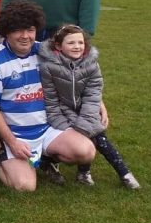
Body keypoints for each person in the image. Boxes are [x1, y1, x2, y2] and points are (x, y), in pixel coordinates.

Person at [0, 0, 96, 192]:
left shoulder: (46, 53)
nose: (25, 36)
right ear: (6, 31)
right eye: (18, 30)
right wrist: (13, 142)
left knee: (86, 151)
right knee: (24, 186)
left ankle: (45, 157)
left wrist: (98, 102)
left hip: (47, 128)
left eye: (30, 30)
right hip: (15, 134)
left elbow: (80, 75)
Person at [38, 24, 140, 189]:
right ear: (58, 45)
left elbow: (93, 95)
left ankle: (116, 173)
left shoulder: (92, 65)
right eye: (71, 43)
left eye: (80, 42)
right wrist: (66, 126)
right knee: (93, 136)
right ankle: (118, 173)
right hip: (62, 113)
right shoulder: (48, 67)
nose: (77, 46)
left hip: (86, 109)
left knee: (95, 134)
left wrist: (85, 121)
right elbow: (51, 101)